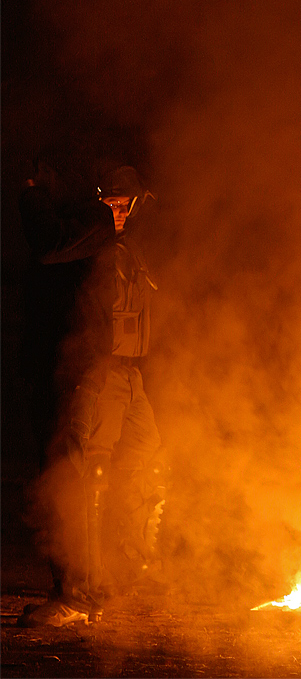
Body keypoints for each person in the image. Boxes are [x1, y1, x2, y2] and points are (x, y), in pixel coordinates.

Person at [20, 152, 166, 627]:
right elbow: (49, 243)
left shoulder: (134, 243)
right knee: (86, 480)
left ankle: (123, 577)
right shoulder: (95, 230)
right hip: (100, 371)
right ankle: (76, 595)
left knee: (145, 464)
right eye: (111, 201)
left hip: (130, 376)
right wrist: (34, 194)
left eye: (126, 202)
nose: (117, 210)